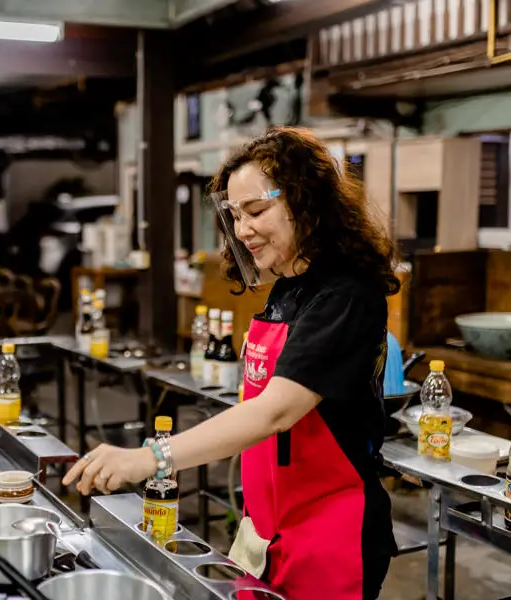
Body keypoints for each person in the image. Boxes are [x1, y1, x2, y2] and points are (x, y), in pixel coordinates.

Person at [63, 127, 400, 600]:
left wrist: (152, 457)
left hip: (331, 533)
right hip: (268, 525)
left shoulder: (344, 294)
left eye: (256, 211)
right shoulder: (286, 287)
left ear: (306, 201)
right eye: (235, 215)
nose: (242, 230)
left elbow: (276, 411)